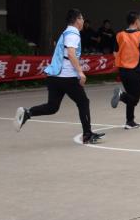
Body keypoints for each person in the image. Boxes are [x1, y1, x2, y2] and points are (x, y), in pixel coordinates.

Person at [14, 8, 104, 144]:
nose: (83, 21)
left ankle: (28, 113)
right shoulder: (73, 33)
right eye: (82, 18)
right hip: (66, 77)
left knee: (52, 107)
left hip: (54, 77)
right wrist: (80, 72)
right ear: (77, 20)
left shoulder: (65, 32)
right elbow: (71, 54)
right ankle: (87, 134)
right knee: (83, 102)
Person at [110, 11, 140, 129]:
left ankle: (130, 121)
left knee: (130, 95)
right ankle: (121, 95)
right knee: (134, 99)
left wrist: (121, 62)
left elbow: (115, 53)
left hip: (123, 70)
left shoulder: (120, 35)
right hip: (135, 70)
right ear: (137, 21)